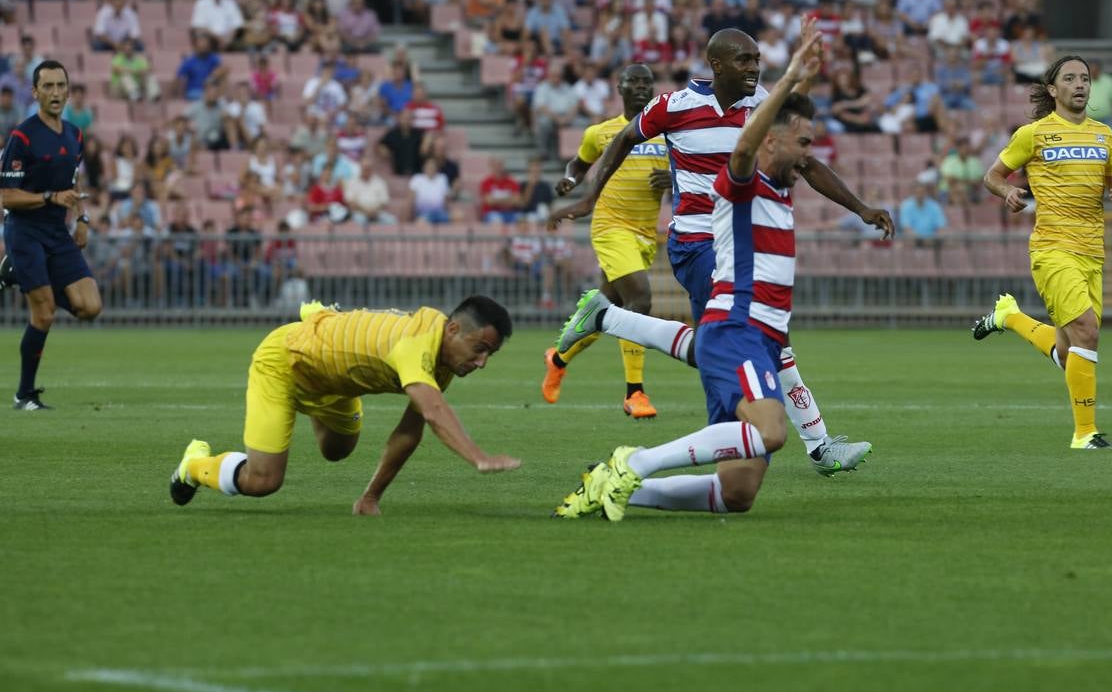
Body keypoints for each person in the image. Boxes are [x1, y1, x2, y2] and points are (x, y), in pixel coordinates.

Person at [552, 26, 892, 475]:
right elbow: (622, 140)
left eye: (756, 59)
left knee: (715, 347)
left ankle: (607, 317)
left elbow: (805, 162)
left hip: (742, 243)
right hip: (697, 244)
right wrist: (591, 195)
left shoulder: (761, 105)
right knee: (768, 338)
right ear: (716, 65)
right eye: (744, 60)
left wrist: (861, 208)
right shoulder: (674, 106)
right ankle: (820, 445)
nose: (754, 67)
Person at [168, 297, 520, 513]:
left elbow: (409, 433)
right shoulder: (417, 346)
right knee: (263, 482)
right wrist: (478, 456)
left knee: (337, 450)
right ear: (454, 329)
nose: (482, 362)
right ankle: (195, 464)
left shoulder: (442, 359)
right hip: (284, 365)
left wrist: (370, 498)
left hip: (333, 381)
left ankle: (316, 393)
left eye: (491, 353)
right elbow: (433, 412)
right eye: (480, 349)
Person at [972, 55, 1112, 450]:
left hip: (1092, 250)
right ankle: (1085, 433)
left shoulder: (1104, 136)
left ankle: (1009, 318)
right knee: (1087, 332)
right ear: (1053, 89)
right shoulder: (1034, 134)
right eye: (1070, 78)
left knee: (1069, 351)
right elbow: (992, 176)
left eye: (1085, 78)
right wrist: (1009, 191)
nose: (1080, 84)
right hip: (1052, 248)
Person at [543, 64, 669, 418]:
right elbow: (578, 165)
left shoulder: (666, 132)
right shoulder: (601, 133)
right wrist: (569, 181)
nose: (641, 87)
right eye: (634, 81)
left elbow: (691, 169)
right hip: (611, 228)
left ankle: (558, 357)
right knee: (639, 301)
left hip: (645, 233)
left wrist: (672, 178)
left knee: (605, 310)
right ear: (620, 87)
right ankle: (635, 393)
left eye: (647, 82)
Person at [0, 61, 103, 410]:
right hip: (25, 230)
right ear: (35, 92)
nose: (56, 93)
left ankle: (18, 274)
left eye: (61, 85)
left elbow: (75, 178)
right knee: (43, 314)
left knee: (90, 306)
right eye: (48, 87)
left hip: (57, 232)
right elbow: (6, 196)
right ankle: (24, 394)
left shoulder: (74, 134)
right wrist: (48, 198)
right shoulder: (22, 136)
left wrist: (83, 217)